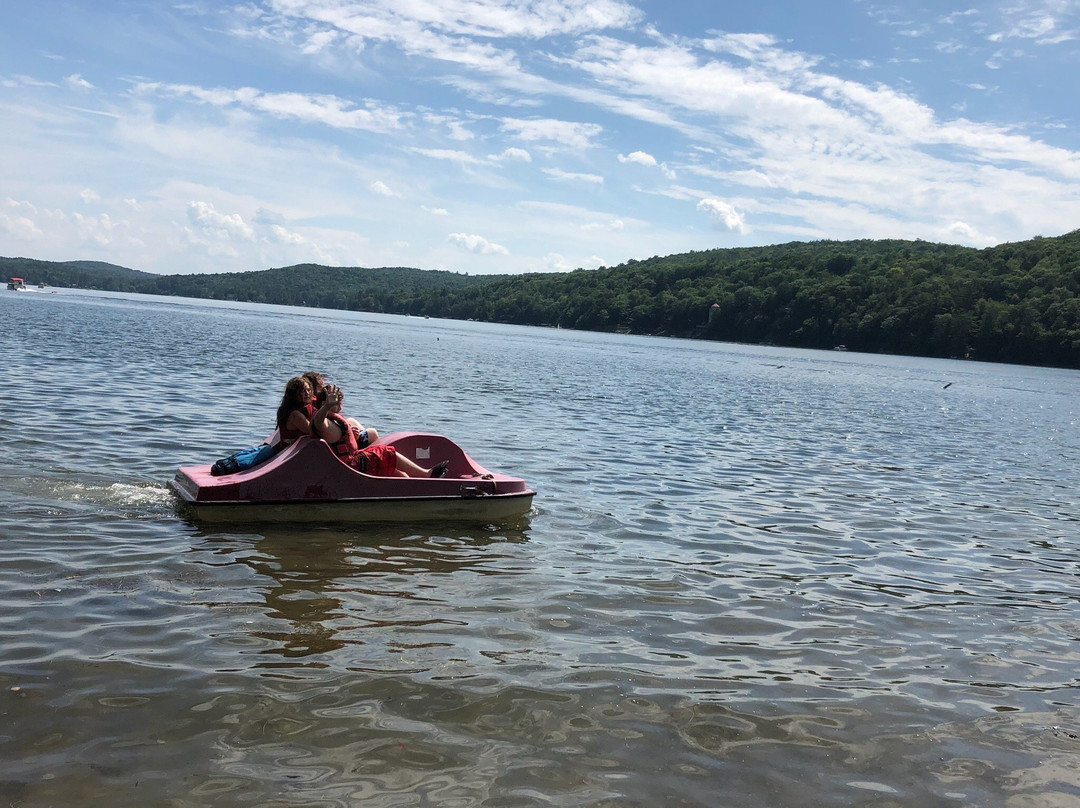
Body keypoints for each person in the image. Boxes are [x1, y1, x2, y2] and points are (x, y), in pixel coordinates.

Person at [311, 384, 448, 478]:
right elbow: (319, 422)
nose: (340, 408)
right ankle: (426, 474)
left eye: (340, 404)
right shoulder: (324, 422)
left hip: (353, 460)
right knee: (385, 452)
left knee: (399, 474)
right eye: (337, 404)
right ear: (325, 404)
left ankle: (413, 489)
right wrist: (328, 406)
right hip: (350, 466)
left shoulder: (332, 420)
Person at [303, 370, 378, 448]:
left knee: (351, 421)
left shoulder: (312, 402)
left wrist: (350, 431)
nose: (324, 389)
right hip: (337, 446)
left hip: (336, 437)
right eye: (320, 387)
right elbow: (318, 424)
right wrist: (327, 406)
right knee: (372, 433)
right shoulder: (316, 408)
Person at [275, 376, 315, 446]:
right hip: (289, 451)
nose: (307, 393)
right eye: (303, 391)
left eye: (309, 390)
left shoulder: (288, 408)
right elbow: (313, 432)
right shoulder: (295, 415)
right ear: (294, 394)